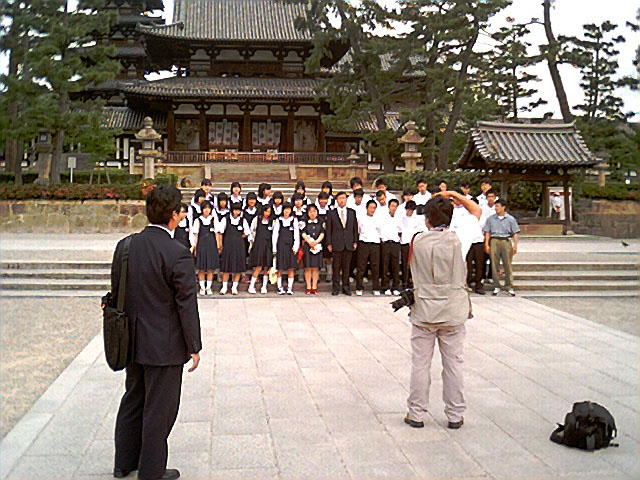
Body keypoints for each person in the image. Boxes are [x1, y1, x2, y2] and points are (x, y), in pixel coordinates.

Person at [111, 184, 201, 480]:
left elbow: (117, 291)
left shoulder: (125, 246)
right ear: (173, 215)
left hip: (131, 337)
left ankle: (124, 462)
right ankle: (151, 471)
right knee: (159, 409)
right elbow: (186, 303)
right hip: (164, 343)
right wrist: (194, 345)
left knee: (134, 398)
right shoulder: (177, 252)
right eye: (180, 211)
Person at [405, 191, 481, 432]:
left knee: (420, 364)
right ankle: (455, 414)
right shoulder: (459, 238)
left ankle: (416, 413)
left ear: (427, 219)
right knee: (454, 365)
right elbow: (476, 211)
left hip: (424, 309)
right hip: (452, 310)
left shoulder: (417, 239)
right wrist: (456, 195)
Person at [450, 189, 486, 295]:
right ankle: (466, 283)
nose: (456, 200)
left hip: (477, 239)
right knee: (466, 263)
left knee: (479, 264)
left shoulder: (470, 208)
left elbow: (481, 222)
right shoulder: (451, 209)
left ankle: (478, 284)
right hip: (463, 240)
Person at [483, 199, 520, 296]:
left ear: (503, 207)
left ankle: (509, 285)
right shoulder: (490, 219)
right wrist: (486, 244)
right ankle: (496, 285)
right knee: (494, 264)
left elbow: (515, 232)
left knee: (507, 264)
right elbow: (487, 232)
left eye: (498, 206)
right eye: (495, 206)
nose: (496, 208)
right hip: (494, 240)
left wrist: (515, 245)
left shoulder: (510, 219)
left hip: (505, 240)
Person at [326, 191, 358, 296]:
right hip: (336, 243)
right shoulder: (331, 213)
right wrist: (329, 243)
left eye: (344, 198)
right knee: (336, 267)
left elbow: (354, 228)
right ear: (337, 200)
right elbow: (328, 230)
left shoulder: (352, 212)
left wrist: (355, 241)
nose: (342, 200)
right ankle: (335, 288)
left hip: (348, 243)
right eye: (340, 198)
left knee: (346, 267)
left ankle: (346, 288)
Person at [218, 203, 251, 295]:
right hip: (227, 245)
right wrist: (220, 244)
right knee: (226, 267)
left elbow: (247, 233)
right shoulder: (226, 219)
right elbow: (220, 232)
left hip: (239, 246)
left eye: (238, 210)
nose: (237, 212)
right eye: (235, 210)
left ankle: (234, 287)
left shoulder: (243, 221)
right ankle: (224, 287)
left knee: (238, 268)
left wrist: (238, 237)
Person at [192, 200, 220, 296]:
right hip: (201, 245)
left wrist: (218, 246)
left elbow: (217, 234)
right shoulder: (197, 220)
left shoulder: (214, 220)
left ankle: (208, 287)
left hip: (211, 245)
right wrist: (195, 247)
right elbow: (195, 235)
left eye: (208, 208)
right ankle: (202, 287)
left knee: (210, 268)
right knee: (201, 268)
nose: (206, 210)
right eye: (204, 208)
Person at [272, 203, 300, 295]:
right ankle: (279, 287)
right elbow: (275, 234)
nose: (287, 211)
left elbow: (296, 234)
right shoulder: (278, 220)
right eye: (285, 209)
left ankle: (289, 287)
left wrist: (296, 246)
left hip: (291, 246)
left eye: (289, 209)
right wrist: (274, 248)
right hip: (280, 246)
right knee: (280, 268)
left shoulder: (294, 220)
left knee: (291, 268)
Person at [355, 200, 381, 296]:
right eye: (371, 207)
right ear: (367, 208)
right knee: (361, 266)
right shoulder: (361, 218)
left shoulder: (378, 218)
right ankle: (359, 287)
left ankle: (376, 288)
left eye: (374, 208)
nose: (372, 210)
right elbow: (358, 230)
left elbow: (380, 231)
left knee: (375, 266)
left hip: (375, 244)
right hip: (364, 243)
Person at [248, 204, 274, 294]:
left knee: (267, 267)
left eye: (269, 212)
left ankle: (264, 286)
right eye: (266, 211)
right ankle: (251, 286)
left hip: (268, 245)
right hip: (258, 245)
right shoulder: (257, 219)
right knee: (258, 266)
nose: (267, 213)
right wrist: (253, 241)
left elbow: (274, 234)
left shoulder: (272, 221)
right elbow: (251, 231)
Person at [301, 204, 325, 295]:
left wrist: (316, 242)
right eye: (310, 211)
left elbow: (322, 233)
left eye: (314, 211)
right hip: (308, 247)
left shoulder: (321, 221)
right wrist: (309, 242)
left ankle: (314, 287)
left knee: (315, 267)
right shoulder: (304, 222)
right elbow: (303, 233)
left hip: (317, 246)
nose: (312, 213)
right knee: (308, 267)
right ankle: (308, 287)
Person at [379, 198, 402, 296]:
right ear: (389, 206)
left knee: (395, 266)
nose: (394, 208)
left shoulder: (399, 217)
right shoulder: (383, 216)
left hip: (395, 243)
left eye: (395, 206)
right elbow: (380, 229)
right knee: (385, 265)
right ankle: (385, 287)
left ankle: (395, 287)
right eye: (392, 206)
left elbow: (400, 230)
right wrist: (383, 239)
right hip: (386, 243)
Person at [399, 200, 421, 289]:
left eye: (411, 210)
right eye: (408, 210)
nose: (409, 212)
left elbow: (419, 231)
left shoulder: (417, 219)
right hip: (404, 242)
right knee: (404, 263)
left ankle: (412, 282)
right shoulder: (401, 218)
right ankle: (404, 282)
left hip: (413, 243)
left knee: (413, 263)